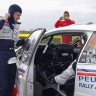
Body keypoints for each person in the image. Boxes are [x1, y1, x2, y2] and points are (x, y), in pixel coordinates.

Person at [0, 4, 25, 96]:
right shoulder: (2, 20)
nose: (19, 18)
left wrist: (20, 42)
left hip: (12, 54)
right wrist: (3, 19)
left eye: (20, 15)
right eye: (18, 15)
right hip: (1, 54)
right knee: (3, 85)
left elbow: (14, 42)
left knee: (11, 84)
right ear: (12, 13)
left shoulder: (16, 25)